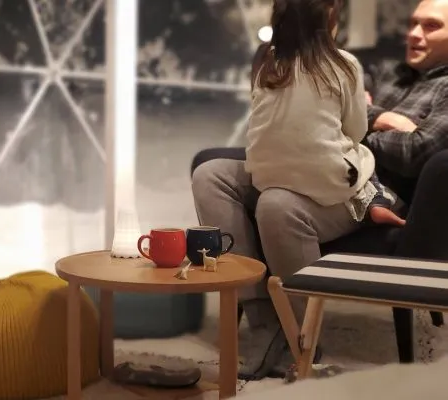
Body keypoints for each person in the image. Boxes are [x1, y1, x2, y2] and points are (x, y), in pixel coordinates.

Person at [191, 0, 448, 378]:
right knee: (211, 175)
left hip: (362, 189)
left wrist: (343, 128)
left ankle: (302, 340)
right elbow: (345, 118)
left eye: (431, 26)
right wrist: (383, 121)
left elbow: (416, 151)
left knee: (277, 205)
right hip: (320, 164)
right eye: (413, 23)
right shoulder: (385, 71)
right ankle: (266, 322)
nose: (414, 34)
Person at [245, 0, 405, 228]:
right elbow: (356, 131)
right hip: (325, 182)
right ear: (328, 23)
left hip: (263, 177)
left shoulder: (267, 63)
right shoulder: (344, 64)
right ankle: (376, 200)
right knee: (361, 153)